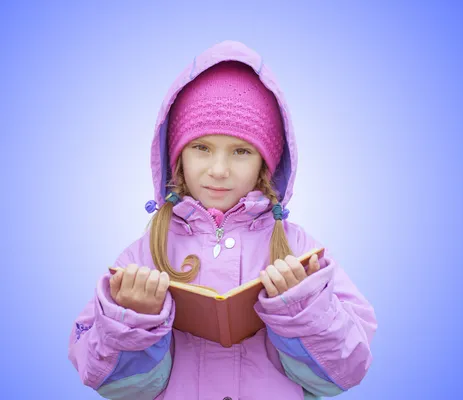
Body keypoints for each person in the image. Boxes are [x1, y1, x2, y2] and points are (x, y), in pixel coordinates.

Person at [68, 40, 377, 400]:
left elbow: (345, 373)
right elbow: (111, 384)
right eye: (201, 147)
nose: (218, 170)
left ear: (266, 163)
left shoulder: (301, 253)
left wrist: (304, 310)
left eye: (241, 151)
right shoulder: (143, 256)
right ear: (177, 154)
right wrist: (134, 320)